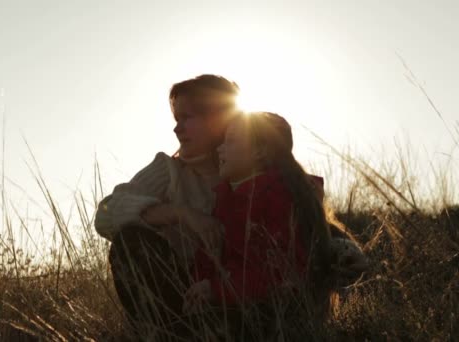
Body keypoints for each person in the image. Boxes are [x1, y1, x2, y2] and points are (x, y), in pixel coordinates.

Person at [94, 75, 367, 336]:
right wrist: (182, 215)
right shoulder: (168, 170)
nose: (177, 128)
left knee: (319, 235)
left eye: (187, 117)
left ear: (217, 119)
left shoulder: (257, 170)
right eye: (177, 119)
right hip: (187, 299)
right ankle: (172, 335)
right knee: (130, 243)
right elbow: (106, 216)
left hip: (250, 298)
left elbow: (290, 235)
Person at [183, 112, 335, 338]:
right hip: (228, 308)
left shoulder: (279, 197)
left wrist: (216, 289)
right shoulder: (226, 199)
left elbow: (282, 272)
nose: (219, 149)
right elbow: (209, 253)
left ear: (260, 151)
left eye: (230, 141)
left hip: (273, 319)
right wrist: (201, 284)